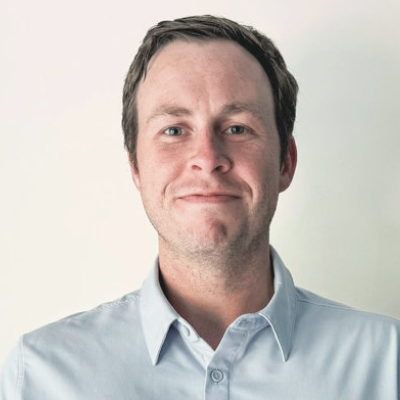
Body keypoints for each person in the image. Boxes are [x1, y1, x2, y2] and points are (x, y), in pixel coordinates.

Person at [1, 15, 399, 399]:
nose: (207, 158)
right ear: (136, 167)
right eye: (174, 130)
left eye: (237, 128)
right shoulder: (38, 376)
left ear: (285, 163)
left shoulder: (387, 363)